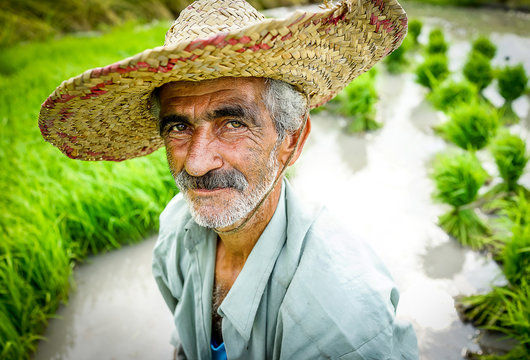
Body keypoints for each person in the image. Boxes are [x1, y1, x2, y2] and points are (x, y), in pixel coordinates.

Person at [39, 0, 418, 359]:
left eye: (233, 124)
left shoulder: (342, 317)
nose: (197, 163)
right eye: (178, 127)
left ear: (291, 140)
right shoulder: (175, 231)